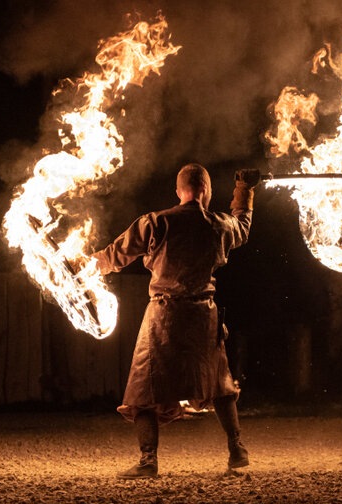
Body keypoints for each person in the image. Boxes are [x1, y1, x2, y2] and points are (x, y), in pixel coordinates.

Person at [92, 164, 260, 479]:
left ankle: (148, 461)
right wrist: (244, 190)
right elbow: (243, 226)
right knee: (219, 384)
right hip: (202, 314)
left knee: (143, 388)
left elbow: (115, 256)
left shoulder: (156, 222)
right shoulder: (219, 225)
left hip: (163, 314)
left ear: (178, 191)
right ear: (207, 192)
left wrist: (85, 265)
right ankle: (237, 449)